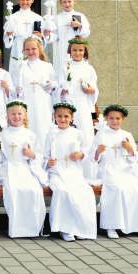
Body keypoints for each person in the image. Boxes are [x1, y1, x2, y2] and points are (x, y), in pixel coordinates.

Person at [91, 104, 138, 239]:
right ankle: (112, 226)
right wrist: (98, 152)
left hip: (124, 170)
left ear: (122, 119)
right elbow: (93, 158)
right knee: (116, 189)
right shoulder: (101, 134)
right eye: (111, 118)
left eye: (118, 118)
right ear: (106, 119)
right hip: (108, 169)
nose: (114, 121)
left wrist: (129, 148)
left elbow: (133, 157)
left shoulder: (127, 135)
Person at [0, 101, 47, 238]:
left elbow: (39, 155)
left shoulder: (30, 135)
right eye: (13, 114)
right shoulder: (2, 134)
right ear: (8, 116)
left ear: (24, 116)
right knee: (14, 190)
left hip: (25, 168)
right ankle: (17, 229)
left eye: (19, 113)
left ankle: (31, 228)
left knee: (33, 190)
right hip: (9, 168)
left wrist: (32, 155)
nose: (16, 116)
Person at [44, 102, 97, 241]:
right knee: (62, 191)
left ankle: (81, 227)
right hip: (57, 171)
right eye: (59, 116)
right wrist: (48, 162)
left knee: (84, 191)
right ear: (54, 117)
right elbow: (44, 155)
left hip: (73, 171)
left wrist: (81, 155)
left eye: (66, 116)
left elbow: (87, 151)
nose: (63, 119)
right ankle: (64, 229)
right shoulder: (51, 134)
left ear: (72, 118)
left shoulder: (77, 134)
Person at [59, 37, 99, 180]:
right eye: (74, 50)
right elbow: (59, 85)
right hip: (68, 106)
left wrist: (90, 90)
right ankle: (68, 170)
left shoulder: (89, 69)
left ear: (85, 51)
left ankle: (87, 173)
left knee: (86, 138)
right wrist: (61, 91)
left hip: (82, 106)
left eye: (80, 50)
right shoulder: (65, 67)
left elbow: (94, 88)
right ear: (70, 51)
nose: (77, 53)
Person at [15, 37, 56, 151]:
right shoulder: (21, 66)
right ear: (23, 51)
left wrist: (50, 84)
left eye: (33, 48)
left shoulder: (47, 66)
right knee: (29, 130)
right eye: (27, 49)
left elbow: (55, 85)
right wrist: (17, 90)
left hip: (43, 104)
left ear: (39, 49)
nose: (31, 52)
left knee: (43, 130)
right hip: (27, 103)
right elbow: (16, 85)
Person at [3, 0, 45, 83]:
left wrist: (40, 36)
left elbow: (42, 39)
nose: (25, 2)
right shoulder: (12, 18)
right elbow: (7, 41)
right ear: (18, 0)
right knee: (17, 78)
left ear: (32, 0)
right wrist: (10, 35)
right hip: (18, 49)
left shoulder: (37, 17)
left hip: (32, 49)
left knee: (32, 78)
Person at [45, 0, 91, 76]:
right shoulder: (57, 18)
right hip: (62, 49)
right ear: (60, 3)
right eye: (64, 2)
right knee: (62, 73)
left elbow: (86, 33)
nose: (67, 4)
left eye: (69, 1)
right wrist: (48, 35)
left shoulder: (80, 16)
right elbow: (55, 36)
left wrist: (80, 26)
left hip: (77, 49)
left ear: (74, 1)